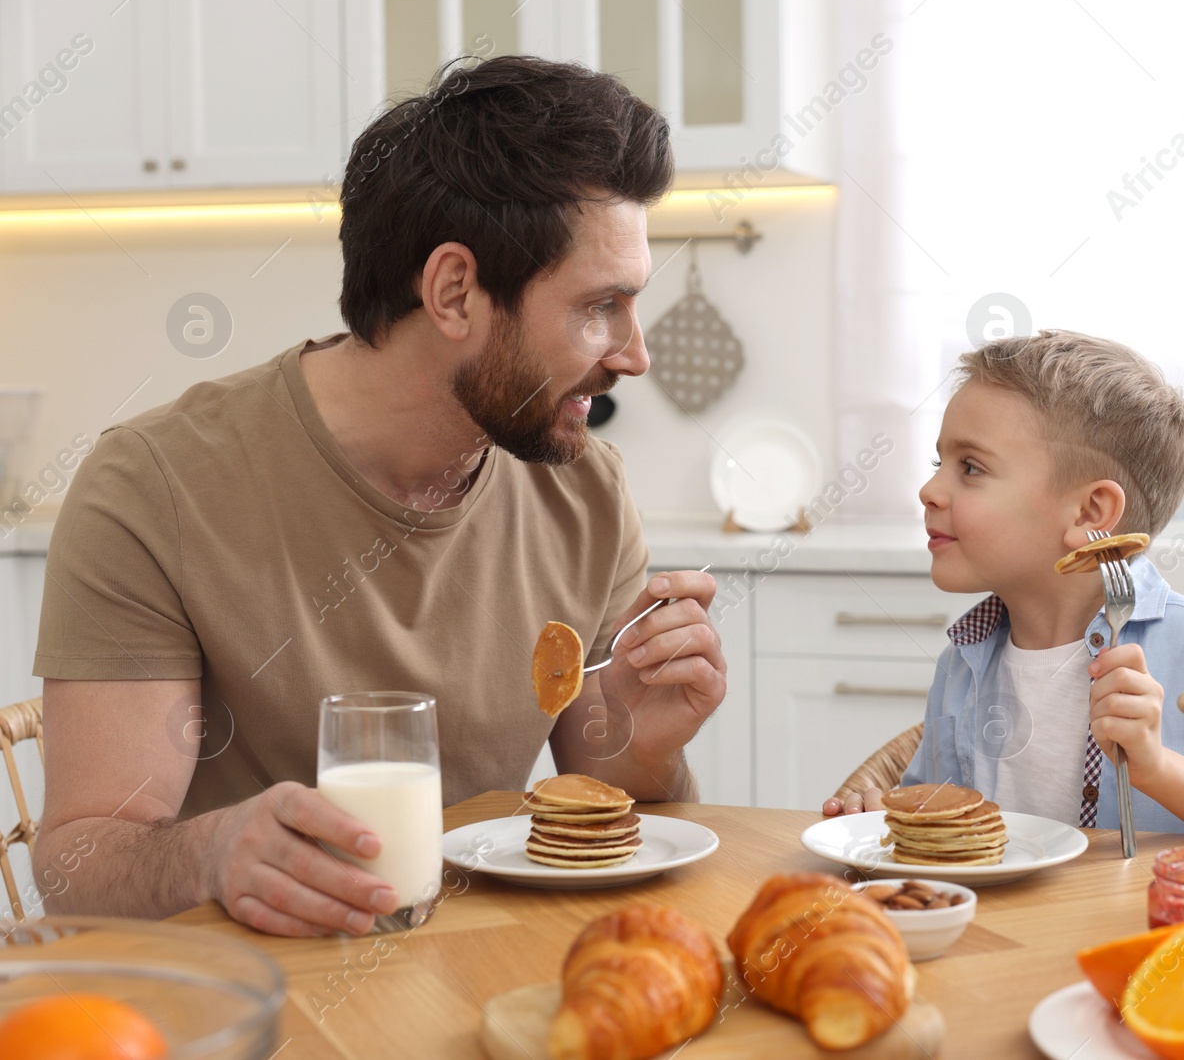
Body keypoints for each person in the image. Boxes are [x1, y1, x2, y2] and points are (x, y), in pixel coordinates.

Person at [32, 57, 727, 937]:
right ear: (452, 292)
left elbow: (599, 804)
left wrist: (648, 739)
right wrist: (214, 850)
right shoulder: (154, 488)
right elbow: (78, 864)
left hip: (486, 980)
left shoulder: (583, 488)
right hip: (253, 1004)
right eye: (600, 306)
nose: (635, 354)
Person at [822, 331, 1184, 835]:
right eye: (941, 463)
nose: (929, 489)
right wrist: (887, 814)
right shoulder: (962, 663)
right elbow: (939, 816)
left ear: (1091, 513)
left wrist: (1156, 768)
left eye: (971, 467)